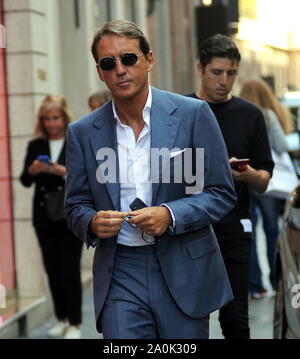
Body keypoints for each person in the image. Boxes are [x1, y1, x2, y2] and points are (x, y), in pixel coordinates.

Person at [65, 20, 237, 339]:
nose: (120, 69)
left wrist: (170, 215)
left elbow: (221, 192)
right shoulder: (83, 132)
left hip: (182, 265)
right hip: (120, 272)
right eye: (108, 63)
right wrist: (91, 222)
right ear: (100, 72)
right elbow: (75, 204)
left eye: (128, 58)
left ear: (149, 60)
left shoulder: (193, 114)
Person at [187, 34, 274, 339]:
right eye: (217, 72)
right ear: (201, 68)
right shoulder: (182, 111)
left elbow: (264, 180)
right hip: (189, 231)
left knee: (236, 319)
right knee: (190, 320)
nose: (225, 81)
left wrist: (247, 174)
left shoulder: (250, 116)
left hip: (235, 228)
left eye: (231, 73)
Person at [20, 95, 83, 339]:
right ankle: (62, 317)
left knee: (70, 269)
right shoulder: (36, 146)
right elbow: (25, 181)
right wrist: (32, 170)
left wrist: (62, 171)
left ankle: (75, 323)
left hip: (69, 215)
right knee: (52, 270)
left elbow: (83, 177)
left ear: (64, 118)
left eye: (55, 118)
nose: (51, 123)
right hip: (44, 216)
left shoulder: (75, 141)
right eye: (46, 119)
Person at [240, 79, 292, 298]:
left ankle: (255, 285)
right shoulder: (268, 114)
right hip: (268, 181)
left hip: (244, 179)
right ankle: (275, 280)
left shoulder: (241, 114)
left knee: (248, 232)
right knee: (273, 231)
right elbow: (282, 146)